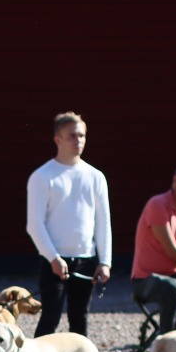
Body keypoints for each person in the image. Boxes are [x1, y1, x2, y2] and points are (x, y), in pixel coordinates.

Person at [24, 112, 112, 337]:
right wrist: (53, 257)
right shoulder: (43, 176)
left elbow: (103, 221)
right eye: (72, 136)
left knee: (80, 319)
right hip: (54, 260)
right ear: (58, 139)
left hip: (86, 259)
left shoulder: (95, 176)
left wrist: (105, 261)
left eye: (82, 135)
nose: (78, 141)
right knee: (50, 318)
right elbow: (34, 224)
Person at [135, 163, 176, 338]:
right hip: (146, 280)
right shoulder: (157, 204)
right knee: (171, 287)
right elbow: (172, 251)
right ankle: (166, 341)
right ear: (175, 180)